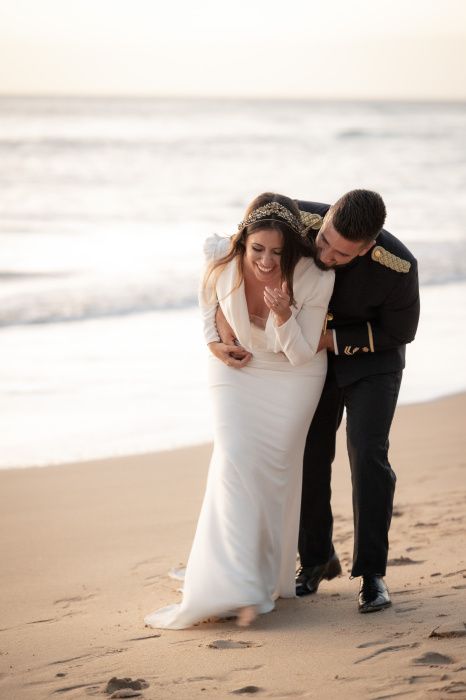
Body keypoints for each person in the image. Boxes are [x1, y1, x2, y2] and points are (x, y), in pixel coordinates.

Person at [216, 190, 420, 614]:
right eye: (324, 240)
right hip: (309, 360)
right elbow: (239, 246)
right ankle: (315, 559)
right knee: (309, 453)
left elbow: (399, 333)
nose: (324, 253)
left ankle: (372, 574)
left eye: (342, 254)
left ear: (369, 246)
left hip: (369, 362)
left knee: (367, 455)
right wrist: (217, 331)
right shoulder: (301, 219)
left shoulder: (398, 266)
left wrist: (329, 340)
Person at [144, 193, 334, 629]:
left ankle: (260, 576)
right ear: (242, 242)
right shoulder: (218, 257)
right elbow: (207, 307)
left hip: (293, 376)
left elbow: (303, 354)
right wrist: (214, 344)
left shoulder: (313, 277)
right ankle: (233, 582)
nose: (267, 261)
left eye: (277, 253)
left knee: (273, 474)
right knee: (232, 458)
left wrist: (284, 315)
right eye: (258, 250)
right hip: (235, 367)